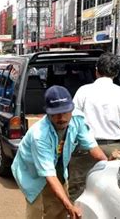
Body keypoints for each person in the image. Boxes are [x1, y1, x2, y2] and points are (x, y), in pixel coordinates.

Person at [11, 85, 107, 219]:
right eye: (55, 113)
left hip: (58, 168)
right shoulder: (39, 135)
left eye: (65, 112)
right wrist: (70, 206)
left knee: (60, 208)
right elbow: (49, 175)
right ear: (48, 112)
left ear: (72, 109)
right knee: (36, 211)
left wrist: (108, 166)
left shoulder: (77, 120)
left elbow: (92, 147)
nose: (61, 117)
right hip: (31, 172)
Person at [69, 52, 120, 200]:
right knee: (112, 192)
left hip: (85, 148)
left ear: (96, 71)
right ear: (115, 73)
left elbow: (73, 121)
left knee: (78, 189)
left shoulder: (83, 91)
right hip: (113, 149)